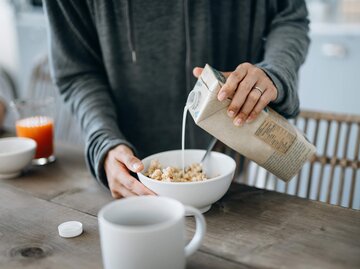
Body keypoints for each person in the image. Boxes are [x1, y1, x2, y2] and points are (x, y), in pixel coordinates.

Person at [44, 0, 310, 198]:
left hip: (231, 167)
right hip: (131, 177)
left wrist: (274, 72)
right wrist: (103, 141)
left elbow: (289, 17)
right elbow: (77, 70)